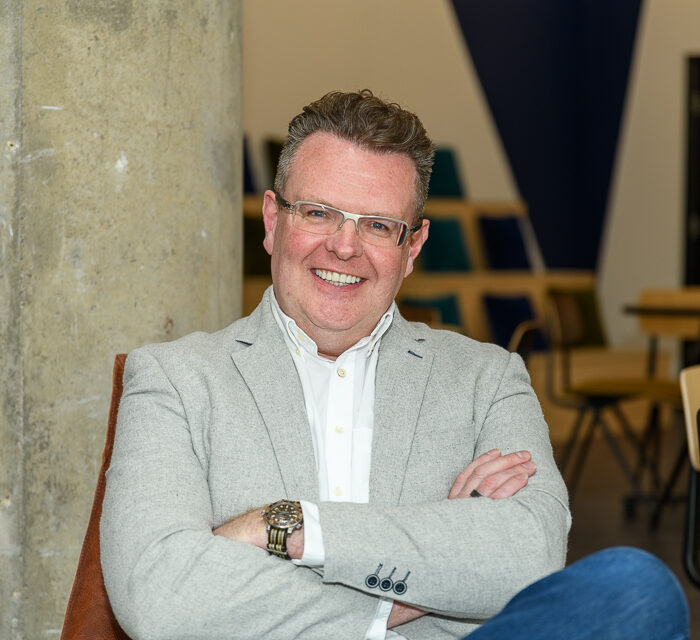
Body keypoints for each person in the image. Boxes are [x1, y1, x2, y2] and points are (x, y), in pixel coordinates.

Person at [101, 90, 688, 640]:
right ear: (274, 221)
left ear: (412, 249)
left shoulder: (488, 379)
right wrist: (411, 591)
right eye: (319, 213)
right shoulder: (174, 380)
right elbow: (158, 592)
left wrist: (289, 527)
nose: (345, 246)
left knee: (634, 590)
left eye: (378, 225)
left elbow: (528, 557)